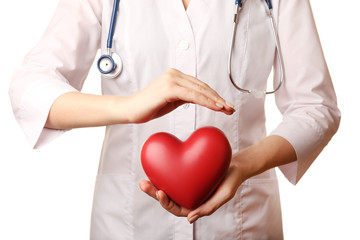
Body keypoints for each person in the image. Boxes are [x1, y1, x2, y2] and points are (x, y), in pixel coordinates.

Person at [9, 0, 340, 239]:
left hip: (242, 223)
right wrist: (130, 106)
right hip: (126, 225)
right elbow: (29, 87)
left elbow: (315, 105)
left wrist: (244, 165)